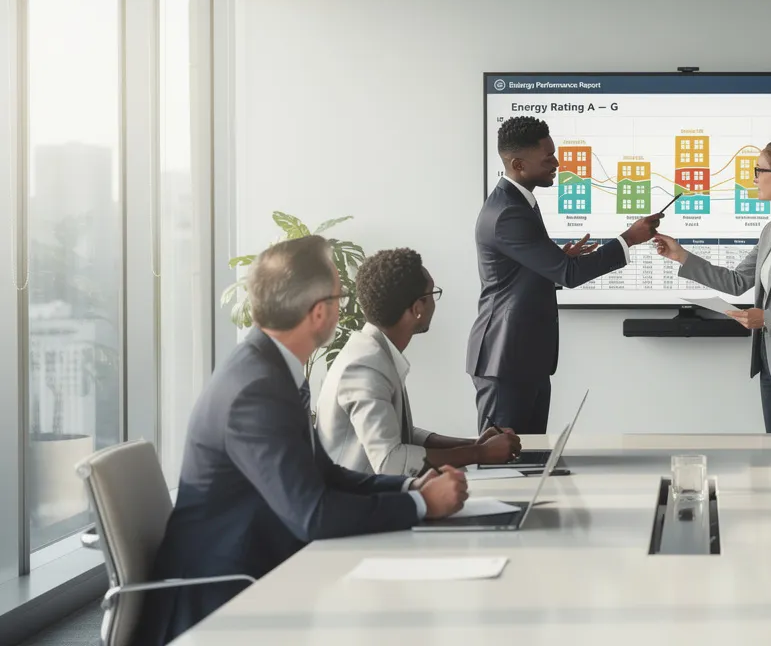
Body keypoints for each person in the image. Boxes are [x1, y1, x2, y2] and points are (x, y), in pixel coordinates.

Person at [136, 236, 469, 646]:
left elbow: (326, 475)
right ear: (319, 312)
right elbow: (312, 514)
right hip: (222, 598)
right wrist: (422, 505)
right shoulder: (256, 388)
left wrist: (409, 487)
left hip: (260, 568)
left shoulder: (270, 369)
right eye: (340, 297)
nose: (344, 308)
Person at [468, 116, 663, 433]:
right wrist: (628, 239)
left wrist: (558, 260)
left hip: (522, 359)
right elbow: (569, 275)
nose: (557, 163)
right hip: (506, 360)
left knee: (532, 456)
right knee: (502, 457)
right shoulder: (509, 213)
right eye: (548, 158)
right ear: (518, 164)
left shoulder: (518, 203)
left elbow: (520, 274)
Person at [653, 140, 771, 433]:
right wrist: (681, 256)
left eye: (758, 170)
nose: (753, 179)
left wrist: (768, 318)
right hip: (770, 362)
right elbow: (737, 281)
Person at [318, 248, 522, 477]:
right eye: (432, 293)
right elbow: (390, 461)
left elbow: (399, 434)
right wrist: (480, 454)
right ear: (417, 309)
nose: (435, 301)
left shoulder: (373, 351)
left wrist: (474, 445)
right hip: (361, 497)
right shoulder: (365, 367)